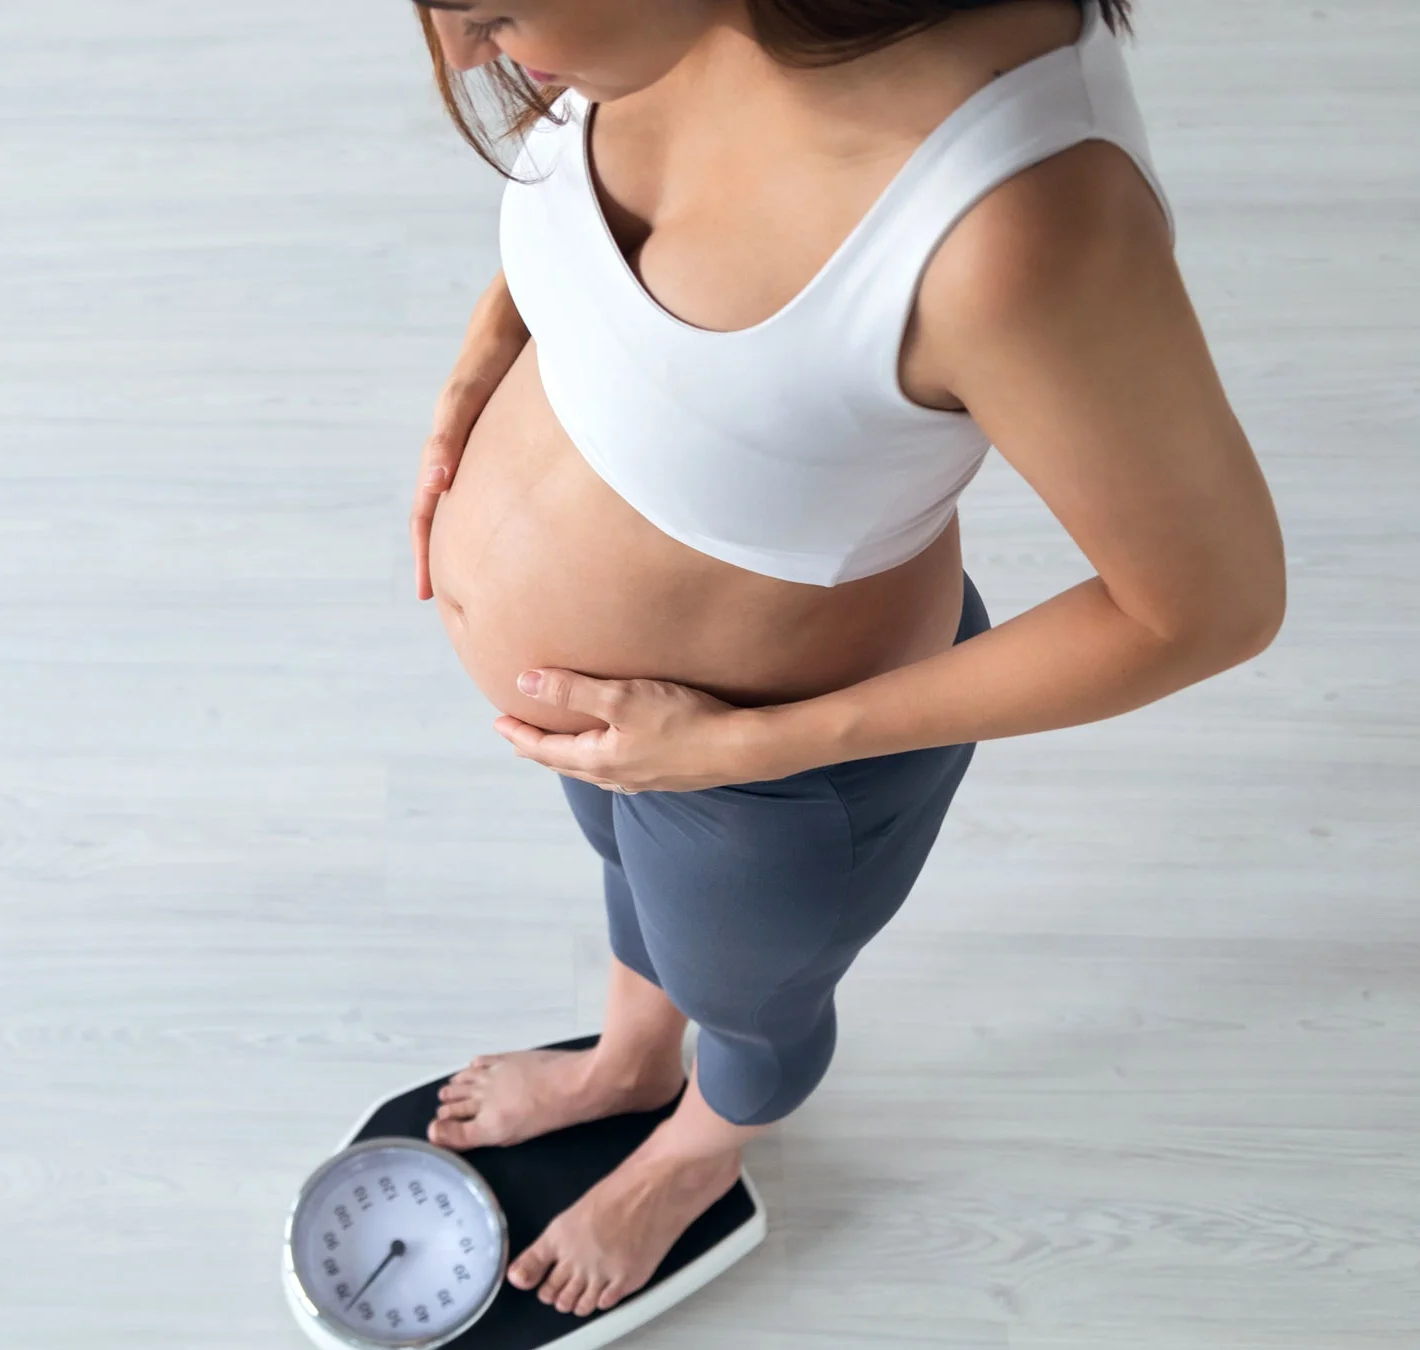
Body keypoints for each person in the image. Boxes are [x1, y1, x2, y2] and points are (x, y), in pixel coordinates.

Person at [404, 0, 1285, 1321]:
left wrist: (740, 747)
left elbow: (1207, 608)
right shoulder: (662, 27)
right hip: (620, 730)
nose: (474, 55)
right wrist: (500, 341)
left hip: (779, 776)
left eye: (494, 14)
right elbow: (590, 217)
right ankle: (632, 1064)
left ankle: (699, 1146)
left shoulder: (1014, 226)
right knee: (630, 883)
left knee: (750, 1006)